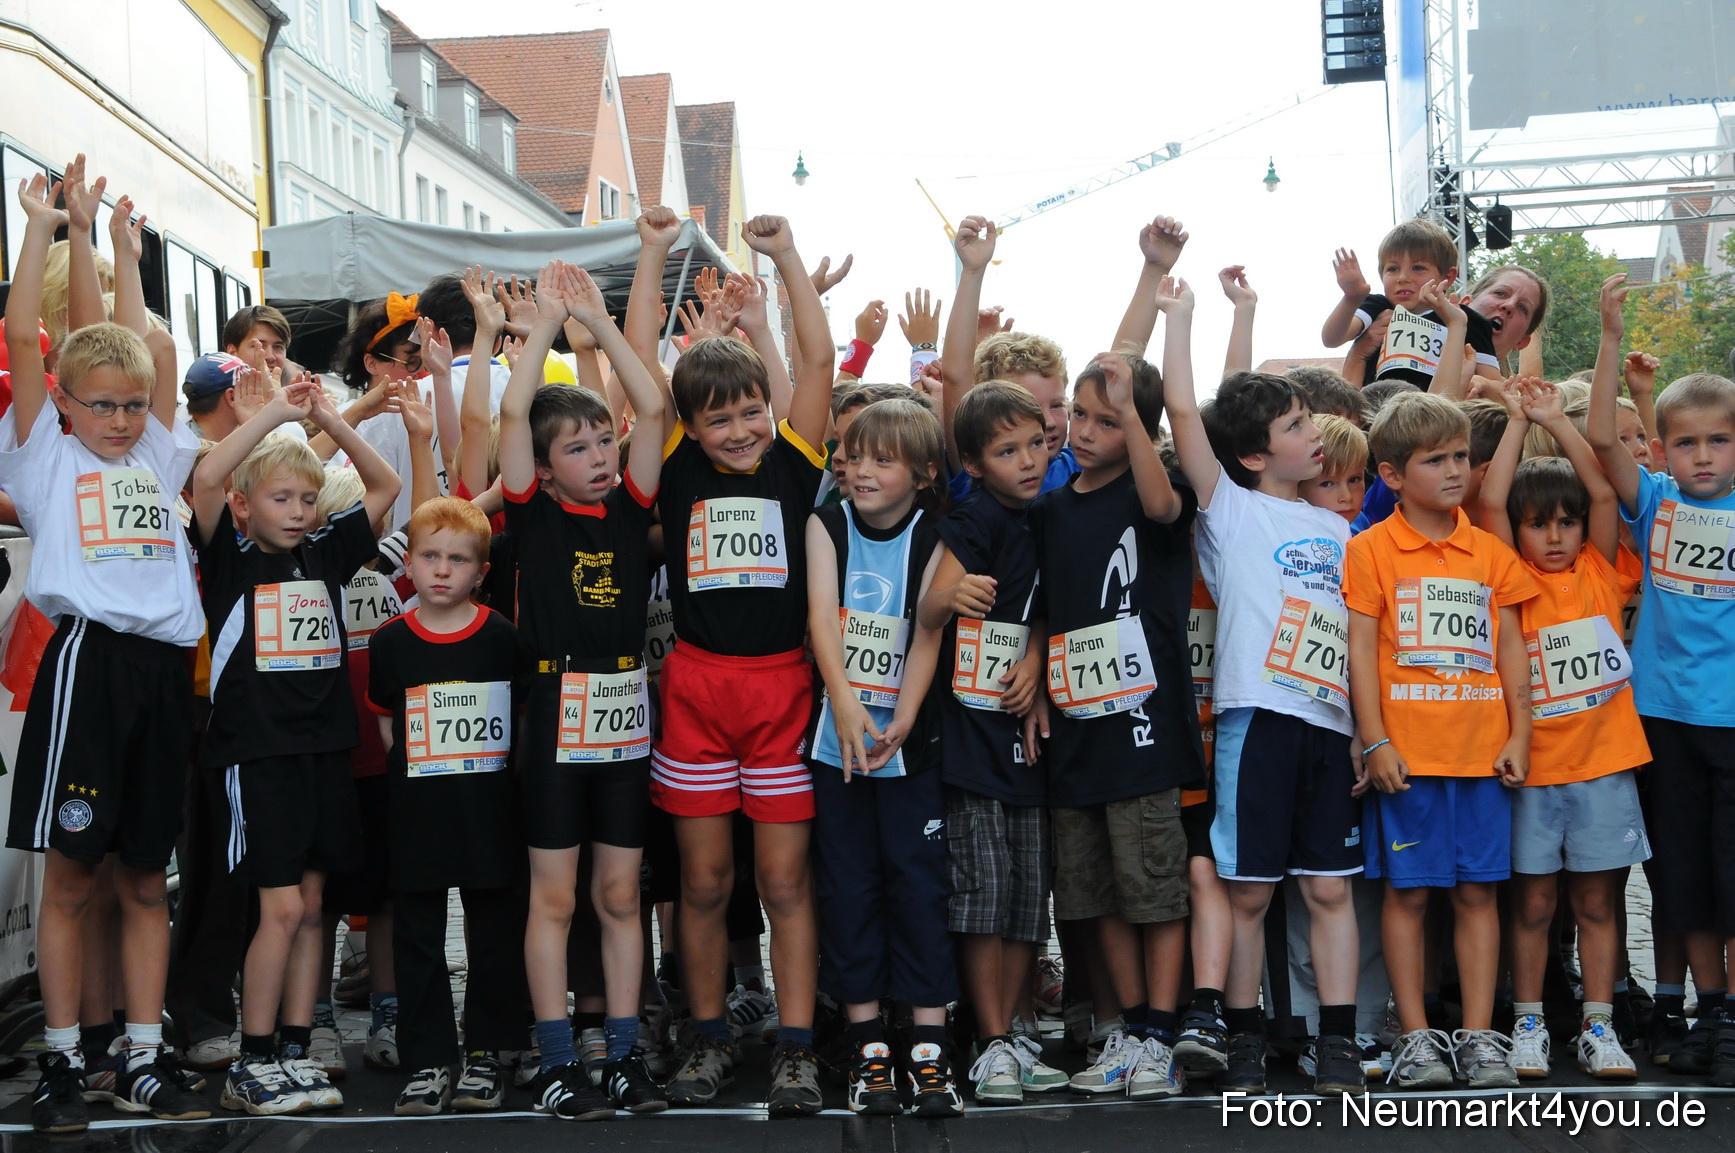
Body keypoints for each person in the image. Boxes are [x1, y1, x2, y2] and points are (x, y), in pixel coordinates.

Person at [2, 165, 210, 1133]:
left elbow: (142, 349)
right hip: (86, 669)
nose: (122, 419)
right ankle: (60, 1059)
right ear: (67, 408)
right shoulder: (47, 455)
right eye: (103, 406)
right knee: (74, 874)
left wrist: (124, 251)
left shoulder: (161, 448)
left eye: (133, 405)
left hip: (162, 676)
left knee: (142, 876)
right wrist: (46, 232)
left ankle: (141, 1049)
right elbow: (29, 341)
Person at [645, 214, 834, 1118]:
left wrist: (785, 263)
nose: (738, 428)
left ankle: (795, 1046)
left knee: (784, 880)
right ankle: (708, 1033)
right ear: (689, 425)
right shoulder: (677, 467)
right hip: (696, 688)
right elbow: (645, 376)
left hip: (781, 687)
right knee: (706, 881)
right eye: (717, 416)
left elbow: (822, 360)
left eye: (750, 410)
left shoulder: (793, 464)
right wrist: (652, 254)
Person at [1160, 277, 1364, 1097]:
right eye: (1293, 426)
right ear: (1252, 455)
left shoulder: (1339, 525)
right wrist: (1184, 319)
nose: (1310, 434)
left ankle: (1339, 1040)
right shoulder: (1231, 510)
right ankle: (1240, 1036)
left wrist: (1361, 728)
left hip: (1328, 724)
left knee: (1327, 888)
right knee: (1248, 893)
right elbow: (1186, 414)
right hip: (1258, 721)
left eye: (1307, 420)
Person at [190, 376, 400, 1116]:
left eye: (306, 500)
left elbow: (385, 481)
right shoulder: (231, 558)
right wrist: (279, 414)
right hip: (259, 754)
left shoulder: (327, 551)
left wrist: (331, 420)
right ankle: (251, 1062)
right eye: (281, 498)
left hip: (324, 752)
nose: (298, 511)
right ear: (246, 507)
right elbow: (210, 474)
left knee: (311, 907)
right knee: (278, 910)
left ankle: (289, 1047)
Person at [501, 261, 669, 1121]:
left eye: (604, 441)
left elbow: (657, 409)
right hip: (553, 720)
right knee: (556, 897)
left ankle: (627, 1054)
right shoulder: (530, 509)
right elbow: (509, 413)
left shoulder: (630, 503)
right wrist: (539, 332)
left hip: (622, 716)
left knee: (618, 895)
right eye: (578, 446)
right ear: (543, 462)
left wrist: (597, 325)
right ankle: (559, 1055)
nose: (600, 456)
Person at [1026, 344, 1204, 1102]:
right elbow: (1042, 607)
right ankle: (1129, 1026)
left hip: (1143, 733)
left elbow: (1165, 508)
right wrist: (1035, 683)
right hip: (1073, 733)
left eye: (1111, 418)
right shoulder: (1049, 510)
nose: (1088, 431)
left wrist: (1135, 412)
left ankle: (1162, 1031)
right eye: (1084, 414)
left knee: (1153, 891)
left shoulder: (1153, 494)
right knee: (1093, 897)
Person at [1344, 391, 1537, 1090]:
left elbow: (1511, 649)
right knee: (1408, 897)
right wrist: (1374, 741)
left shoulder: (1490, 553)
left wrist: (1520, 732)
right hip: (1409, 758)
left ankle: (1480, 1037)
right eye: (1436, 459)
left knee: (1479, 894)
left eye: (1460, 455)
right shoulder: (1368, 550)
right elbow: (1359, 653)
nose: (1454, 469)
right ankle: (1417, 1036)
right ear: (1392, 474)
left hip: (1482, 757)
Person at [1478, 376, 1650, 1081]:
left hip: (1604, 766)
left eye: (1565, 521)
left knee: (1594, 900)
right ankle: (1526, 1023)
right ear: (1516, 530)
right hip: (1532, 770)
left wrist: (1557, 417)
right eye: (1537, 522)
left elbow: (1604, 492)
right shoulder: (1507, 576)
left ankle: (1597, 1024)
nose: (1553, 535)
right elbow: (1489, 498)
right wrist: (1519, 421)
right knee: (1535, 902)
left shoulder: (1599, 570)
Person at [1587, 273, 1735, 1085]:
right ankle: (1684, 1003)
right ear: (1663, 450)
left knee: (1728, 875)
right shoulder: (1655, 505)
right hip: (1663, 719)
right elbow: (1605, 442)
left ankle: (1724, 1015)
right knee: (1674, 871)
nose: (1701, 455)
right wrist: (1610, 341)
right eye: (1685, 443)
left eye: (1718, 440)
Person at [805, 398, 960, 1116]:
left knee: (917, 886)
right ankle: (867, 1046)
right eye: (852, 454)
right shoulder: (826, 521)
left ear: (924, 473)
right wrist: (842, 701)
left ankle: (928, 1049)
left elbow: (927, 630)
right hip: (837, 746)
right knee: (847, 886)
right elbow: (820, 616)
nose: (860, 469)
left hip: (911, 744)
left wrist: (900, 714)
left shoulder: (937, 531)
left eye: (882, 458)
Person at [918, 382, 1066, 1105]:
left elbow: (1043, 610)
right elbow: (928, 603)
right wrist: (953, 597)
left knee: (1024, 898)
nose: (1028, 460)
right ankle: (988, 1037)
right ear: (973, 463)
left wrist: (1036, 663)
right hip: (970, 738)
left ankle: (1006, 1030)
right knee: (984, 892)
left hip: (1024, 733)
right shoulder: (971, 518)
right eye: (1007, 451)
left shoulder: (1046, 517)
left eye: (1036, 442)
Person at [365, 497, 529, 1115]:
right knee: (417, 938)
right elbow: (388, 731)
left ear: (480, 571)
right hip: (416, 815)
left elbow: (514, 723)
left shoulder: (502, 638)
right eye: (429, 557)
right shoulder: (390, 644)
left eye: (457, 560)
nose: (441, 570)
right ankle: (429, 1058)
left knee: (493, 932)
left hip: (488, 812)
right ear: (408, 564)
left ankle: (487, 1052)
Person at [1320, 220, 1493, 395]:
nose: (1402, 278)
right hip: (1377, 417)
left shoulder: (1466, 320)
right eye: (1393, 269)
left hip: (1440, 416)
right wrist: (1351, 298)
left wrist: (1480, 383)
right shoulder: (1377, 307)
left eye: (1418, 268)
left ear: (1447, 277)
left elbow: (1495, 387)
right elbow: (1332, 339)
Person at [1298, 415, 1368, 523]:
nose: (1347, 496)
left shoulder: (1361, 522)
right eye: (1327, 484)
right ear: (1297, 487)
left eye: (1354, 480)